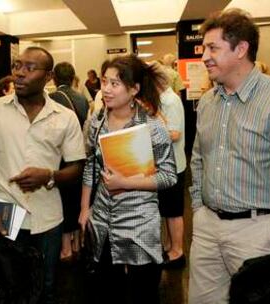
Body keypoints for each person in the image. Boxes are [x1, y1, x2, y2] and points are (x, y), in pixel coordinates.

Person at [0, 46, 86, 304]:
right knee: (6, 289)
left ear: (49, 76)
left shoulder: (65, 118)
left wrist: (49, 175)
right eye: (17, 66)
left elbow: (77, 167)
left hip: (47, 217)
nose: (19, 74)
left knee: (45, 287)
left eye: (30, 68)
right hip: (5, 216)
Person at [189, 8, 270, 304]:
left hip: (258, 232)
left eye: (213, 48)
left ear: (241, 49)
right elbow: (198, 159)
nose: (204, 56)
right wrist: (198, 210)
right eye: (205, 48)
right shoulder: (208, 101)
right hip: (207, 228)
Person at [78, 55, 177, 304]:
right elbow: (90, 163)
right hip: (102, 219)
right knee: (106, 289)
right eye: (104, 82)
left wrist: (125, 183)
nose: (106, 90)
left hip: (139, 221)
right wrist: (84, 208)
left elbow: (168, 176)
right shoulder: (96, 122)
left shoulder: (152, 126)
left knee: (142, 290)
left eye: (115, 84)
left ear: (134, 89)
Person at [49, 61, 89, 261]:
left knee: (64, 201)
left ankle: (65, 248)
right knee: (75, 199)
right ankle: (77, 242)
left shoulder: (53, 98)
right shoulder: (81, 98)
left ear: (53, 78)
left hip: (61, 158)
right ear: (73, 78)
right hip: (79, 154)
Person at [158, 84, 187, 268]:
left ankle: (177, 252)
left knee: (174, 212)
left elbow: (175, 134)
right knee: (168, 211)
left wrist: (149, 133)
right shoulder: (164, 99)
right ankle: (170, 247)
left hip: (174, 165)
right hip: (168, 166)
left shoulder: (170, 101)